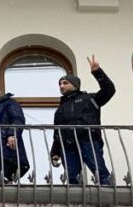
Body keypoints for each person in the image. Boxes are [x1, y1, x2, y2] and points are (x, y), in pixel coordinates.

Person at [49, 55, 116, 185]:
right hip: (68, 145)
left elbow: (109, 90)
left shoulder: (90, 99)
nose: (61, 86)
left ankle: (109, 197)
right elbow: (57, 131)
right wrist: (55, 152)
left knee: (100, 172)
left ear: (75, 85)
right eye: (60, 84)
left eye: (65, 83)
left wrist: (97, 72)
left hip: (88, 140)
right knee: (73, 178)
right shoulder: (60, 108)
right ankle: (76, 203)